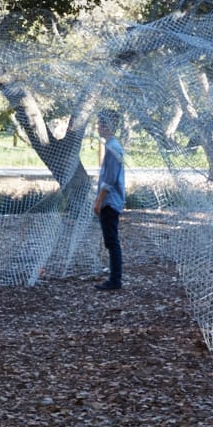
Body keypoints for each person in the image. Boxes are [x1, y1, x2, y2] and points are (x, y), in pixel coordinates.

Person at [93, 109, 125, 291]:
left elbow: (110, 179)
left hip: (110, 202)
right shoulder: (111, 145)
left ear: (107, 126)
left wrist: (99, 201)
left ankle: (115, 280)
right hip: (110, 201)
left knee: (112, 242)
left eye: (100, 124)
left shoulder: (114, 148)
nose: (98, 127)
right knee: (111, 241)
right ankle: (114, 278)